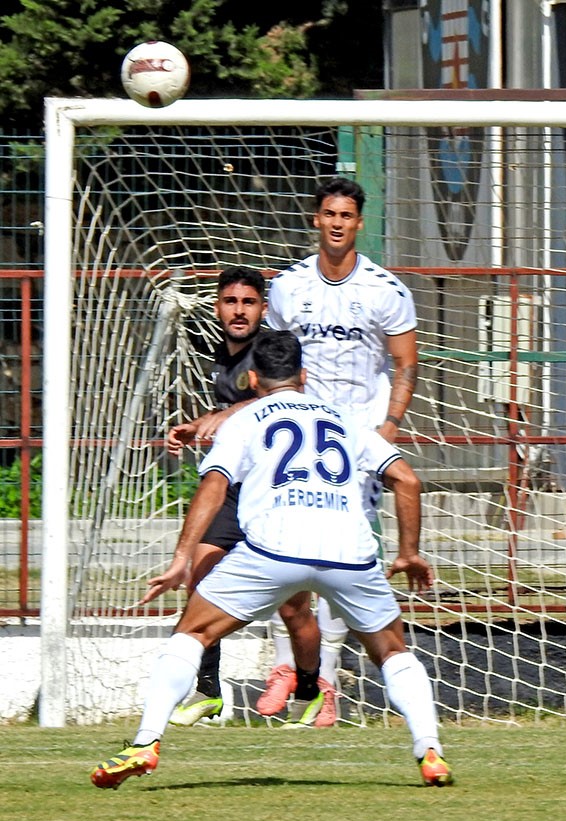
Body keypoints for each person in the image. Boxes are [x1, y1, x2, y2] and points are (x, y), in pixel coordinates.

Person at [90, 330, 453, 789]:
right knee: (392, 653)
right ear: (304, 376)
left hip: (273, 548)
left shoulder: (243, 420)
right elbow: (407, 480)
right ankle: (430, 751)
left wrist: (183, 556)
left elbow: (215, 485)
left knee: (192, 634)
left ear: (253, 378)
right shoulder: (344, 417)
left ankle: (145, 742)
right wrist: (408, 553)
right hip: (348, 551)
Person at [258, 176, 420, 725]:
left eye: (346, 215)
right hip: (300, 435)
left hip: (357, 439)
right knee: (285, 550)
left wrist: (390, 427)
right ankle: (289, 666)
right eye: (328, 213)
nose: (336, 223)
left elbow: (404, 364)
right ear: (315, 219)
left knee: (338, 556)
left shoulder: (385, 290)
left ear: (358, 223)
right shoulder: (288, 286)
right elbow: (276, 354)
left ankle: (324, 679)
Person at [163, 267, 322, 727]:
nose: (238, 310)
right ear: (217, 308)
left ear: (262, 309)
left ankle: (311, 685)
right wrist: (195, 428)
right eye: (230, 302)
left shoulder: (271, 351)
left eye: (248, 302)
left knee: (294, 607)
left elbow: (288, 399)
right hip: (234, 493)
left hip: (275, 494)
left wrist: (228, 412)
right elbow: (234, 420)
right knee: (201, 579)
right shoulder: (218, 354)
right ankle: (208, 691)